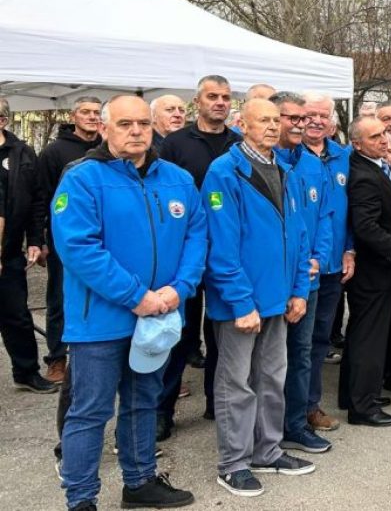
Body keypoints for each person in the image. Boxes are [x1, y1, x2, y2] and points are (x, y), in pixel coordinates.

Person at [53, 96, 205, 511]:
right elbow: (78, 248)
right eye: (125, 124)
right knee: (90, 411)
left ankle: (139, 483)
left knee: (142, 402)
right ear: (104, 129)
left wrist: (180, 288)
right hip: (100, 321)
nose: (136, 131)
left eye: (143, 123)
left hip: (159, 316)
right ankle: (81, 498)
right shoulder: (82, 179)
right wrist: (136, 296)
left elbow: (197, 236)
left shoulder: (177, 179)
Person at [204, 98, 316, 497]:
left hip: (277, 298)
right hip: (243, 303)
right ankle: (233, 463)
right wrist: (240, 302)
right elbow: (221, 246)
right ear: (242, 124)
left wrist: (299, 290)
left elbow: (299, 236)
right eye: (262, 120)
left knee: (272, 378)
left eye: (274, 120)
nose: (271, 126)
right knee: (236, 383)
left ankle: (267, 451)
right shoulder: (224, 172)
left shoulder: (285, 169)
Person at [157, 75, 238, 434]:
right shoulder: (175, 143)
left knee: (222, 332)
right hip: (186, 253)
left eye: (225, 97)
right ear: (198, 102)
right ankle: (162, 411)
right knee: (181, 334)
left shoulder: (239, 144)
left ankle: (217, 402)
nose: (219, 102)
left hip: (227, 254)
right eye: (212, 96)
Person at [270, 93, 335, 455]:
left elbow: (324, 216)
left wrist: (318, 258)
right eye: (290, 118)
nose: (299, 124)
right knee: (267, 359)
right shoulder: (262, 165)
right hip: (273, 280)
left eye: (301, 118)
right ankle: (265, 430)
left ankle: (295, 424)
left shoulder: (311, 165)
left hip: (307, 279)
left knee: (301, 353)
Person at [342, 117, 391, 427]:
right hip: (373, 271)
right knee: (368, 339)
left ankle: (355, 395)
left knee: (363, 334)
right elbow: (366, 226)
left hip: (377, 269)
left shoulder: (376, 167)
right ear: (357, 145)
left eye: (383, 133)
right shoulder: (363, 176)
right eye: (374, 137)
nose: (384, 140)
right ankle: (363, 406)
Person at [34, 96, 103, 385]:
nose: (92, 117)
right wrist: (39, 239)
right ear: (73, 116)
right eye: (86, 112)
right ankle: (57, 358)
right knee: (60, 298)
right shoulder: (54, 152)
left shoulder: (109, 147)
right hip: (65, 239)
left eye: (97, 112)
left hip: (104, 237)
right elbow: (41, 197)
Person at [300, 92, 356, 433]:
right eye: (310, 115)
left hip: (334, 265)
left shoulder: (343, 156)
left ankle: (310, 406)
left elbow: (350, 210)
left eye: (323, 115)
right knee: (297, 343)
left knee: (320, 339)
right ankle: (289, 409)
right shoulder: (288, 156)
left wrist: (349, 249)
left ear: (332, 122)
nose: (316, 121)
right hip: (301, 267)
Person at [0, 96, 57, 395]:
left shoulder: (22, 152)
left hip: (9, 251)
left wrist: (35, 239)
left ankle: (26, 372)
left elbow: (37, 200)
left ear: (2, 121)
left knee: (17, 316)